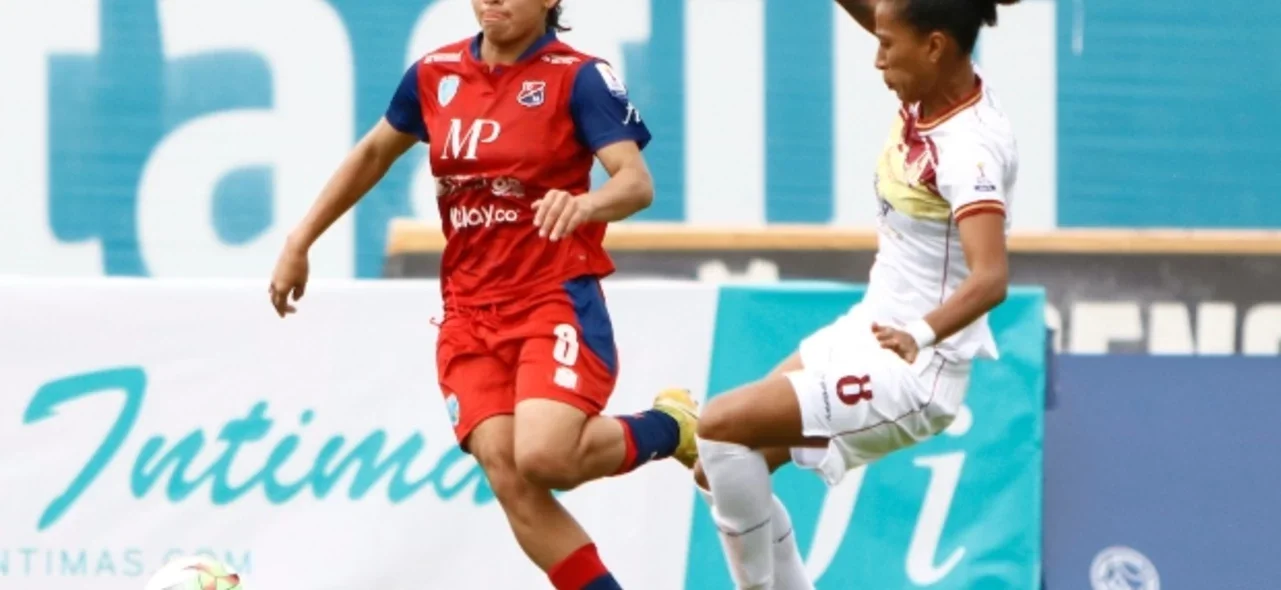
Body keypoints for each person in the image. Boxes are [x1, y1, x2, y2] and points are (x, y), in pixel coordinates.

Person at [266, 1, 699, 589]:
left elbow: (635, 183)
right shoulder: (433, 74)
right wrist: (301, 238)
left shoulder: (580, 77)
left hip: (552, 297)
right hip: (469, 313)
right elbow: (372, 154)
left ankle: (672, 425)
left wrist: (585, 204)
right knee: (507, 470)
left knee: (546, 457)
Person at [690, 0, 1021, 587]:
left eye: (887, 45)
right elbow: (892, 21)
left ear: (935, 46)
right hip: (870, 330)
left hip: (917, 370)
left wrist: (919, 333)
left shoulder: (968, 149)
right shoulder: (928, 88)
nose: (876, 57)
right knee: (721, 470)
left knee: (718, 426)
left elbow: (990, 278)